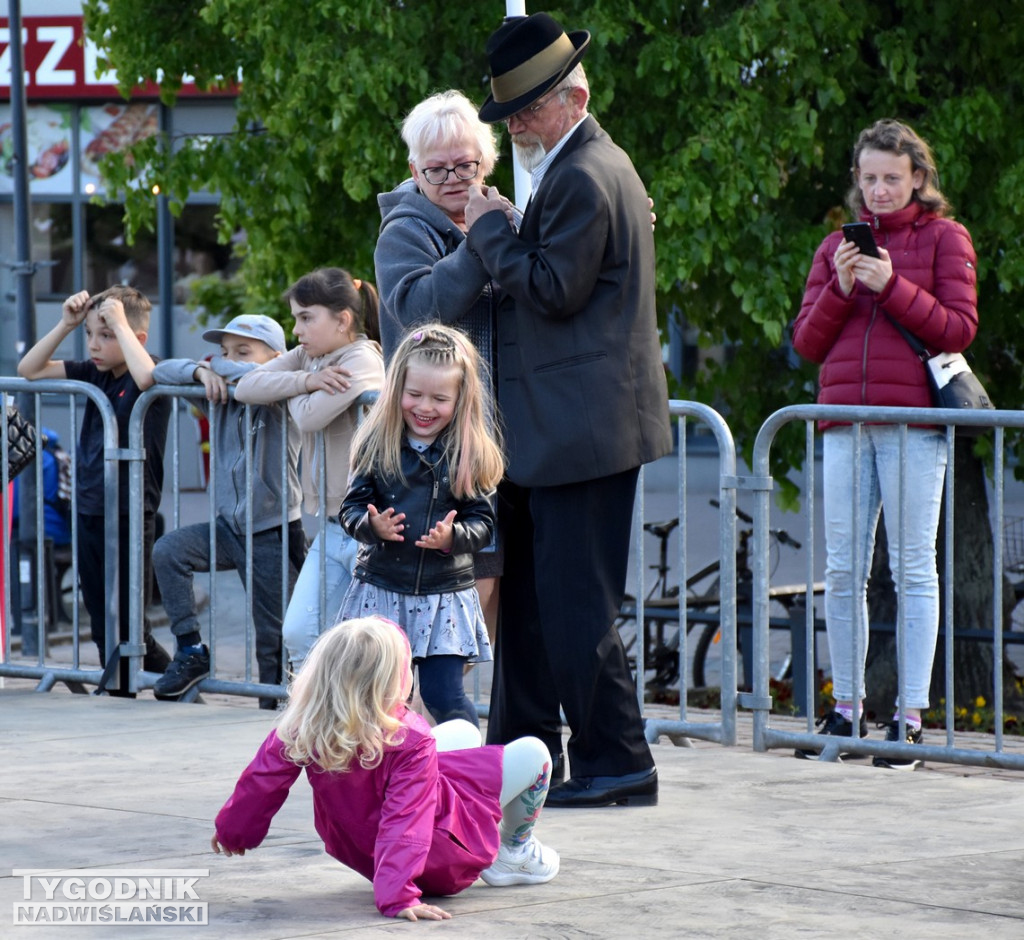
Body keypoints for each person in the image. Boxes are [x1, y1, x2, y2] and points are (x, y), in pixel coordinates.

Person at [461, 12, 672, 807]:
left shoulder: (584, 172)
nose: (515, 124)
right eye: (508, 113)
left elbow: (552, 289)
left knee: (576, 608)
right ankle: (524, 756)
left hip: (580, 430)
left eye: (528, 109)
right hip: (560, 430)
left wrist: (488, 231)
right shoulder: (579, 163)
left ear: (573, 95)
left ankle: (618, 763)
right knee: (532, 605)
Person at [792, 119, 978, 769]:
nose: (877, 190)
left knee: (911, 569)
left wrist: (889, 284)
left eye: (891, 179)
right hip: (846, 422)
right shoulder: (833, 249)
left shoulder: (944, 239)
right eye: (868, 178)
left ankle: (910, 718)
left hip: (912, 426)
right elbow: (807, 344)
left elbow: (959, 327)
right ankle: (846, 707)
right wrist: (844, 287)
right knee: (842, 571)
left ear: (918, 178)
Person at [212, 616, 558, 920]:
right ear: (390, 681)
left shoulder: (300, 725)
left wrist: (233, 833)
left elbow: (259, 785)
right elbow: (406, 818)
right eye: (406, 666)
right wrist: (397, 896)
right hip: (439, 861)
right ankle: (514, 850)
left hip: (365, 852)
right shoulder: (410, 736)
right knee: (534, 753)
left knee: (464, 730)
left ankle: (491, 842)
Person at [374, 89, 515, 646]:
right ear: (414, 170)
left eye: (466, 165)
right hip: (436, 452)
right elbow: (419, 311)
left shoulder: (501, 216)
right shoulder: (404, 231)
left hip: (493, 439)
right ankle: (430, 732)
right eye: (437, 170)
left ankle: (489, 729)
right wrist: (482, 240)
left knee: (495, 595)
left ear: (488, 163)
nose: (454, 178)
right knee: (449, 614)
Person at [338, 325, 504, 727]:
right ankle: (386, 776)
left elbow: (483, 523)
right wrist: (370, 526)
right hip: (382, 589)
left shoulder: (468, 452)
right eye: (414, 394)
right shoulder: (376, 444)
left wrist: (453, 538)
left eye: (440, 398)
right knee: (382, 697)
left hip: (444, 595)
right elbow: (350, 509)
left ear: (460, 400)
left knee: (445, 696)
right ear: (396, 389)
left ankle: (466, 775)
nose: (424, 406)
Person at [17, 286, 173, 692]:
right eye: (88, 335)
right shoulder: (94, 373)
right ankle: (125, 690)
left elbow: (146, 377)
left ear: (133, 338)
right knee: (102, 620)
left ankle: (175, 682)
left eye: (104, 335)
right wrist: (65, 324)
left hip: (128, 513)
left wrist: (121, 324)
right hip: (88, 509)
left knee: (129, 625)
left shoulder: (149, 369)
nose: (93, 345)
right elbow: (28, 369)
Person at [147, 315, 306, 709]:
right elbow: (158, 371)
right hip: (227, 527)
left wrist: (215, 367)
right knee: (168, 551)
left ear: (277, 358)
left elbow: (258, 379)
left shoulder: (280, 393)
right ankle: (190, 650)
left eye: (242, 351)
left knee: (275, 634)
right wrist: (200, 370)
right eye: (224, 351)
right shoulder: (215, 390)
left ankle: (277, 711)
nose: (228, 359)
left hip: (273, 529)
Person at [234, 269, 385, 674]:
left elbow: (307, 417)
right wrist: (308, 379)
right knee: (300, 633)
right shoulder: (309, 358)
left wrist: (296, 387)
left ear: (342, 320)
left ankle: (384, 728)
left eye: (306, 317)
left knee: (373, 646)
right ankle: (308, 721)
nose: (296, 329)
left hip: (371, 528)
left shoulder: (363, 359)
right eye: (295, 317)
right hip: (332, 526)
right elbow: (245, 387)